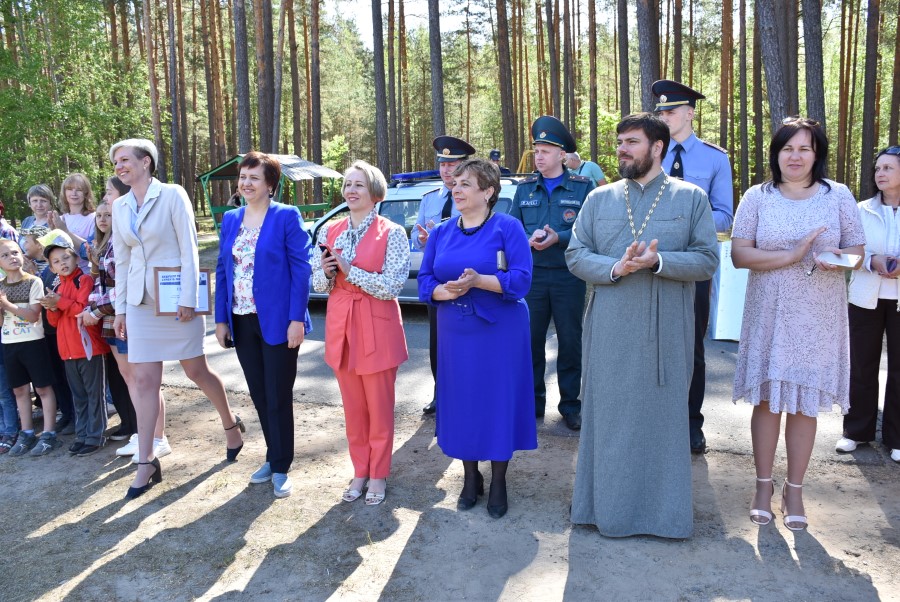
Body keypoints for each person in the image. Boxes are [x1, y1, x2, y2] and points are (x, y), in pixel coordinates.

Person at [565, 112, 719, 538]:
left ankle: (663, 518)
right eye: (619, 142)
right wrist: (616, 267)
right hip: (610, 328)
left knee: (662, 423)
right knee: (610, 420)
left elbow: (707, 259)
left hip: (665, 330)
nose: (621, 150)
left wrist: (659, 261)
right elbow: (575, 254)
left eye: (631, 142)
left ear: (657, 147)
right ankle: (604, 512)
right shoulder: (599, 199)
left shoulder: (691, 198)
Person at [731, 117, 865, 531]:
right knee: (768, 400)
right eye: (787, 148)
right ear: (776, 154)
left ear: (816, 154)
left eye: (804, 148)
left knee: (805, 402)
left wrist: (835, 260)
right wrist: (791, 255)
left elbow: (857, 251)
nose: (795, 156)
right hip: (769, 310)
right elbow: (739, 254)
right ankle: (762, 486)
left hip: (818, 312)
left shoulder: (838, 195)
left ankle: (795, 490)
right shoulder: (757, 196)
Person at [110, 138, 245, 500]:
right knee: (143, 381)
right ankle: (146, 460)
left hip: (175, 298)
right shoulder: (120, 206)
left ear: (146, 162)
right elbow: (122, 260)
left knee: (195, 371)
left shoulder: (172, 194)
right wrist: (121, 309)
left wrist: (188, 297)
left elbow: (189, 247)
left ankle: (230, 424)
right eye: (115, 162)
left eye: (125, 159)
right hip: (139, 303)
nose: (119, 166)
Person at [417, 158, 535, 518]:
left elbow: (522, 279)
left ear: (488, 191)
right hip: (455, 330)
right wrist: (441, 292)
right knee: (462, 401)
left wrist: (480, 281)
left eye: (466, 183)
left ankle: (499, 479)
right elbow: (424, 279)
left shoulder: (507, 227)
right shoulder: (441, 232)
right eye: (455, 183)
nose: (456, 189)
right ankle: (470, 477)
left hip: (500, 331)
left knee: (497, 401)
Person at [215, 152, 313, 499]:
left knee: (277, 394)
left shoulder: (286, 216)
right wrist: (221, 319)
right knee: (259, 392)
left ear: (270, 184)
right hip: (241, 321)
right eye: (243, 177)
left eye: (254, 177)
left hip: (279, 322)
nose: (246, 183)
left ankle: (282, 465)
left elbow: (302, 269)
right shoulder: (231, 219)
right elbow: (223, 270)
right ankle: (273, 456)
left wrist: (296, 319)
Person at [312, 160, 410, 506]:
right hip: (342, 325)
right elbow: (317, 284)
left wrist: (350, 271)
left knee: (379, 409)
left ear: (375, 192)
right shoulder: (330, 231)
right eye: (347, 184)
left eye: (358, 185)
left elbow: (392, 286)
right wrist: (326, 273)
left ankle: (379, 474)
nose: (350, 190)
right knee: (354, 409)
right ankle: (360, 470)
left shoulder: (392, 232)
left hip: (376, 326)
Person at [653, 79, 735, 454]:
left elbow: (724, 216)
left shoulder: (714, 159)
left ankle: (690, 423)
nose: (664, 118)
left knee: (691, 348)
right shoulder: (650, 152)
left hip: (692, 266)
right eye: (660, 113)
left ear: (689, 113)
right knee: (649, 344)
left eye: (670, 112)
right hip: (649, 262)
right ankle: (653, 421)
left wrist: (684, 219)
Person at [509, 115, 592, 431]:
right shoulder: (524, 189)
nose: (539, 157)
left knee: (570, 342)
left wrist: (561, 237)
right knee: (529, 341)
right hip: (533, 278)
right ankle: (533, 403)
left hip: (569, 277)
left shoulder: (583, 187)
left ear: (562, 155)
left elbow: (589, 230)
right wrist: (526, 239)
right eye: (537, 151)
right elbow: (512, 228)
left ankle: (570, 405)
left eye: (545, 151)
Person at [838, 146, 900, 463]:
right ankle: (856, 431)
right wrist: (871, 261)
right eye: (878, 168)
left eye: (888, 168)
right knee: (861, 365)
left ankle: (897, 438)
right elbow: (846, 250)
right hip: (864, 298)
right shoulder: (860, 210)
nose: (880, 174)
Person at [412, 135, 476, 415]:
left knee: (469, 339)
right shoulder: (430, 199)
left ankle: (468, 394)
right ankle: (441, 394)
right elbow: (416, 235)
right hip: (438, 281)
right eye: (443, 165)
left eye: (453, 164)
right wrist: (423, 240)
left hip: (468, 279)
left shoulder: (475, 197)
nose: (447, 170)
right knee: (438, 341)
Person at [41, 231, 111, 456]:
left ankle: (95, 436)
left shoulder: (84, 280)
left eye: (66, 258)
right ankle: (82, 434)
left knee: (94, 395)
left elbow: (82, 310)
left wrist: (59, 302)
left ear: (75, 258)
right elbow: (54, 323)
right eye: (56, 261)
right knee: (78, 396)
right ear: (51, 268)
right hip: (68, 351)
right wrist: (52, 307)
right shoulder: (57, 288)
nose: (62, 263)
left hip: (89, 348)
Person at [82, 183, 138, 442]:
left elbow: (120, 288)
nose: (103, 219)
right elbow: (101, 284)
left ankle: (144, 432)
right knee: (127, 376)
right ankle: (137, 430)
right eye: (99, 215)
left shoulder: (120, 242)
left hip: (120, 317)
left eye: (108, 214)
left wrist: (94, 310)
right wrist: (91, 308)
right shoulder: (104, 246)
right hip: (109, 319)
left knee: (136, 378)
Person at [0, 238, 60, 456]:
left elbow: (34, 315)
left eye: (15, 252)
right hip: (9, 344)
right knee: (19, 390)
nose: (12, 257)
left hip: (34, 343)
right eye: (5, 255)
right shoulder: (1, 286)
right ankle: (26, 433)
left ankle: (49, 433)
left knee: (43, 388)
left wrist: (6, 304)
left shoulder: (33, 281)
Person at [51, 173, 96, 274]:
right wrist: (52, 231)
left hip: (86, 274)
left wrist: (65, 231)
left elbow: (91, 250)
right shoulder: (61, 219)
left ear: (86, 193)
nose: (74, 193)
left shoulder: (94, 218)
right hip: (64, 276)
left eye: (79, 190)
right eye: (70, 189)